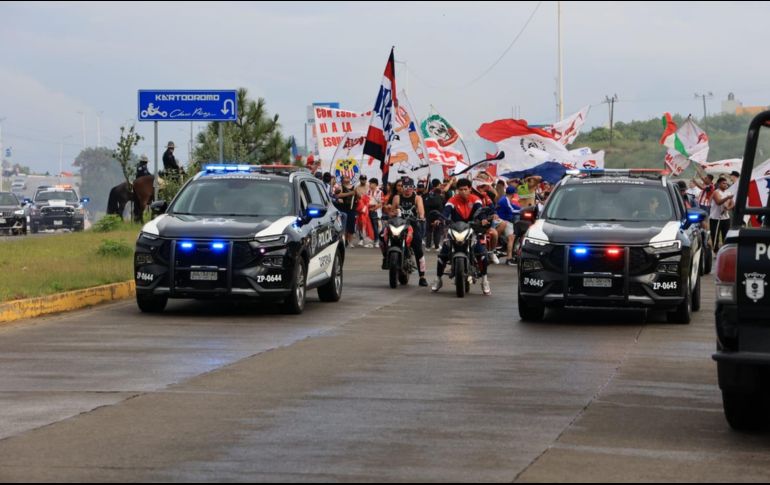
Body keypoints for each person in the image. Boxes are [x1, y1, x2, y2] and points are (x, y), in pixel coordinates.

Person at [431, 178, 492, 295]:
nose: (463, 192)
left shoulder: (476, 199)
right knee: (442, 255)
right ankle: (438, 279)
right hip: (454, 230)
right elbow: (445, 212)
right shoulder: (452, 200)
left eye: (465, 189)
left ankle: (485, 280)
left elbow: (481, 212)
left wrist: (483, 219)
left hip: (472, 230)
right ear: (457, 190)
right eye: (461, 190)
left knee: (482, 254)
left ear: (470, 189)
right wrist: (440, 219)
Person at [388, 177, 428, 286]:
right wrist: (392, 213)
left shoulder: (417, 198)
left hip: (412, 226)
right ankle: (387, 257)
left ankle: (422, 277)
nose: (408, 189)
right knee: (384, 236)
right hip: (398, 225)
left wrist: (421, 216)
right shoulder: (397, 198)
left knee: (418, 249)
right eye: (405, 187)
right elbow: (391, 212)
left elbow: (421, 211)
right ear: (402, 187)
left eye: (410, 186)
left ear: (413, 187)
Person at [496, 185, 521, 266]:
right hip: (504, 221)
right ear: (513, 194)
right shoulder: (505, 200)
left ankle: (509, 257)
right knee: (511, 237)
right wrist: (522, 211)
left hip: (504, 220)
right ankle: (509, 258)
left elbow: (513, 206)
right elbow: (512, 210)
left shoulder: (505, 199)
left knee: (511, 237)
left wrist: (521, 208)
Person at [710, 177, 734, 250]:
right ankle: (715, 250)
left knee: (726, 236)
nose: (725, 185)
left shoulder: (729, 192)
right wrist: (727, 198)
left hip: (726, 218)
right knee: (715, 236)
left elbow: (733, 204)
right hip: (715, 218)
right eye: (723, 183)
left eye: (726, 183)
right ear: (719, 184)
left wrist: (728, 208)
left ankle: (725, 250)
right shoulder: (716, 192)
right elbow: (718, 202)